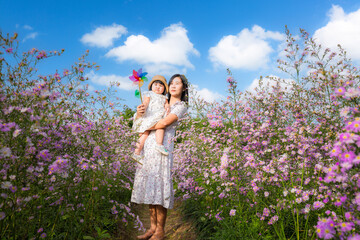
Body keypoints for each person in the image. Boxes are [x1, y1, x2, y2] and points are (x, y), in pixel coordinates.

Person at [131, 74, 189, 240]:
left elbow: (164, 123)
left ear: (184, 88)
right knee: (151, 185)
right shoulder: (158, 99)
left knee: (160, 185)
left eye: (177, 83)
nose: (172, 86)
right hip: (148, 145)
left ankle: (160, 231)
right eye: (171, 83)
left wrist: (146, 124)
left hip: (162, 147)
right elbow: (140, 119)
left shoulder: (180, 105)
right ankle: (152, 228)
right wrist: (140, 114)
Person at [132, 75, 170, 161]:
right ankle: (136, 153)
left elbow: (166, 104)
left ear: (164, 89)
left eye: (161, 86)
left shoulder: (164, 97)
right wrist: (144, 107)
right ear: (151, 86)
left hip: (159, 116)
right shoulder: (149, 94)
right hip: (150, 115)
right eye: (156, 85)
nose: (158, 87)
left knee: (160, 127)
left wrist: (167, 106)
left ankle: (159, 144)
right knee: (145, 134)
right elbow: (146, 102)